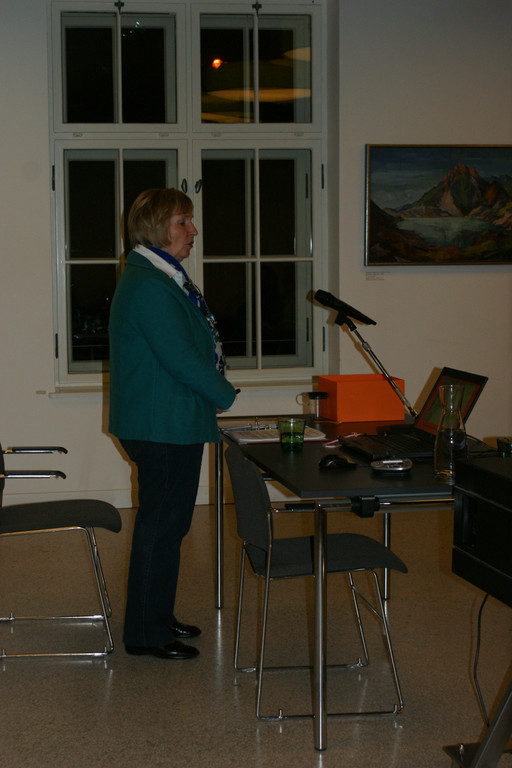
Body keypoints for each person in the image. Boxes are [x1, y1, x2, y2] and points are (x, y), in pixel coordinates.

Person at [109, 188, 237, 660]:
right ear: (156, 226)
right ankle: (145, 633)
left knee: (169, 526)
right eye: (183, 221)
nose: (193, 230)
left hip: (169, 418)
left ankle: (157, 616)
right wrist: (224, 394)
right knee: (161, 527)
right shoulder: (149, 283)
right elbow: (179, 355)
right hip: (160, 423)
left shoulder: (157, 275)